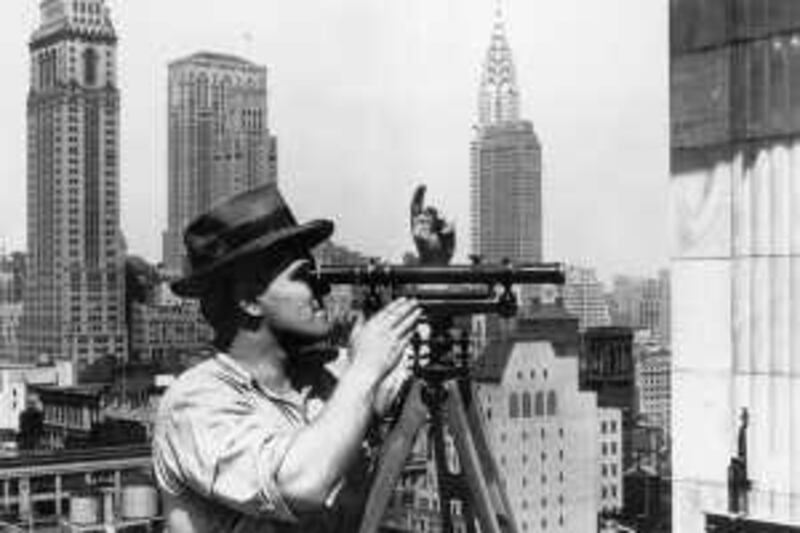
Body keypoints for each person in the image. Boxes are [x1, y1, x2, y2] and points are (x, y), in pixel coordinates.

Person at [152, 184, 422, 532]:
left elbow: (422, 364)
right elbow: (300, 485)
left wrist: (435, 268)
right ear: (248, 300)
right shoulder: (194, 404)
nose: (321, 289)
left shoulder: (329, 376)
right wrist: (365, 370)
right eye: (301, 277)